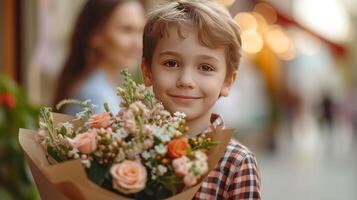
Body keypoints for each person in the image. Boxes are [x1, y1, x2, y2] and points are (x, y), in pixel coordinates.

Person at [140, 0, 261, 199]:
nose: (186, 81)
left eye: (205, 67)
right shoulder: (125, 145)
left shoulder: (235, 162)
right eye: (171, 63)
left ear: (228, 81)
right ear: (147, 71)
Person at [54, 0, 145, 115]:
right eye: (126, 30)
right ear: (95, 34)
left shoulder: (108, 87)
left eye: (141, 31)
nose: (138, 44)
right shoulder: (95, 95)